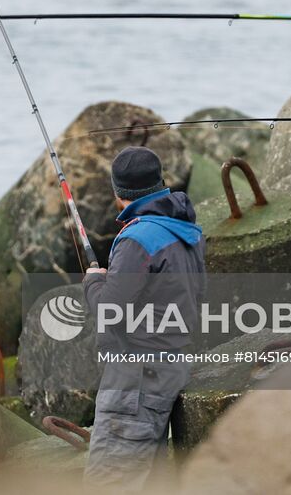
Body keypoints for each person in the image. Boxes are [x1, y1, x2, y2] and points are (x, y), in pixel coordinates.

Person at [82, 146, 205, 486]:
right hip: (170, 367)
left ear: (119, 195)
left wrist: (93, 282)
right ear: (160, 183)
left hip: (136, 380)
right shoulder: (185, 231)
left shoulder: (137, 238)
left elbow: (109, 312)